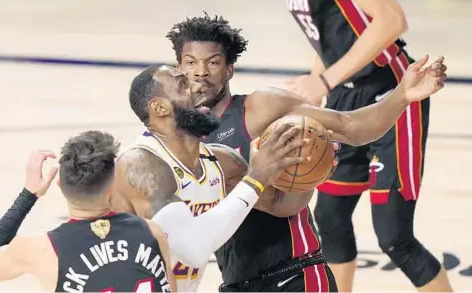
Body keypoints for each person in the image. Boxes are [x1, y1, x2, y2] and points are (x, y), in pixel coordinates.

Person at [166, 12, 447, 292]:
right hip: (237, 284)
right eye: (191, 63)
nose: (200, 72)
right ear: (179, 69)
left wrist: (401, 96)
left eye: (212, 62)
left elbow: (352, 127)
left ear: (228, 69)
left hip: (295, 276)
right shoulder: (181, 142)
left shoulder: (261, 107)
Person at [284, 0, 453, 291]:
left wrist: (322, 82)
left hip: (394, 94)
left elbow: (393, 20)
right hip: (344, 98)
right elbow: (330, 37)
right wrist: (315, 83)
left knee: (395, 237)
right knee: (331, 219)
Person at [111, 64, 311, 291]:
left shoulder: (219, 161)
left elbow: (283, 205)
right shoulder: (140, 165)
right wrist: (256, 178)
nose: (199, 86)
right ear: (159, 108)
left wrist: (307, 167)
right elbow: (192, 249)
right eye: (183, 84)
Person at [0, 131, 177, 292]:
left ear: (58, 183)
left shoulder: (41, 249)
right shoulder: (152, 232)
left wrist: (28, 194)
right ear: (114, 186)